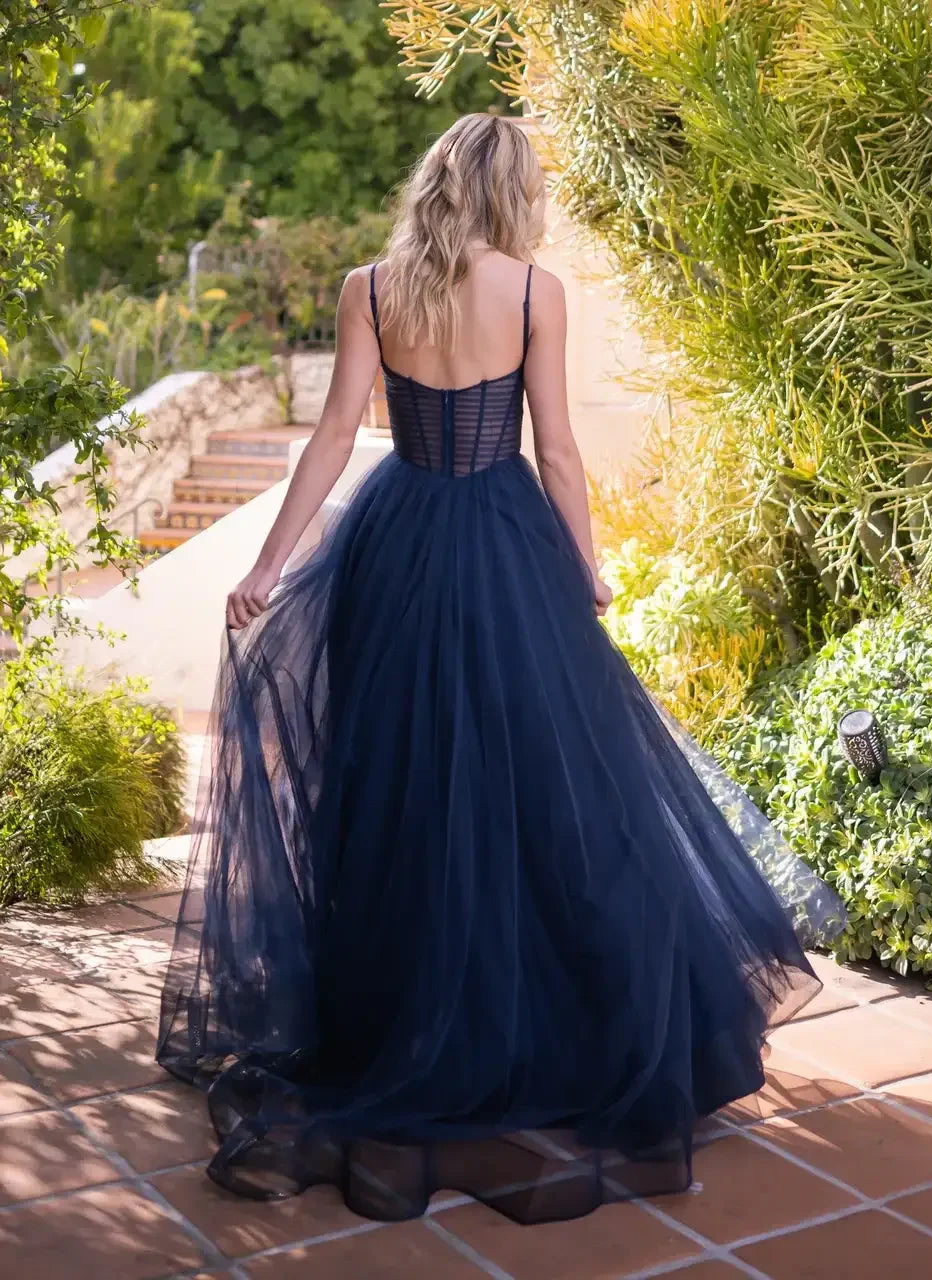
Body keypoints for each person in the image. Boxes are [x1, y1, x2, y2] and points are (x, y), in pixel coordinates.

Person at [157, 112, 843, 1226]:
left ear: (435, 181)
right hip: (504, 550)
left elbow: (331, 438)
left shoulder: (370, 288)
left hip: (395, 546)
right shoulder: (533, 293)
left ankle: (400, 1017)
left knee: (398, 789)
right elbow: (556, 449)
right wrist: (586, 569)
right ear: (510, 190)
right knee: (544, 790)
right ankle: (536, 1019)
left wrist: (268, 566)